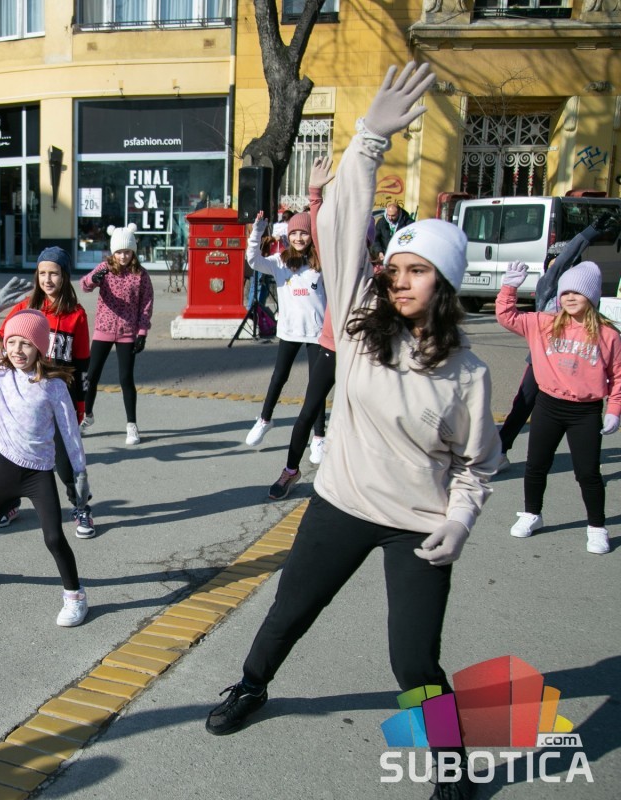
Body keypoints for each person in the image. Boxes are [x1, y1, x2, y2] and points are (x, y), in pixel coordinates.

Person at [204, 64, 498, 800]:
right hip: (340, 501)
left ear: (445, 283)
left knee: (413, 663)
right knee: (290, 610)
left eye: (418, 271)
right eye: (395, 267)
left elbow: (478, 465)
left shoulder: (468, 374)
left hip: (417, 524)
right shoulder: (365, 323)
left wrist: (460, 521)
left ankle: (449, 763)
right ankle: (251, 685)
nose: (400, 279)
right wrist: (368, 140)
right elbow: (339, 225)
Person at [0, 277, 92, 628]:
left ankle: (76, 597)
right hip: (5, 469)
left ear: (40, 348)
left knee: (54, 537)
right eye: (11, 341)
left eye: (26, 343)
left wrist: (80, 472)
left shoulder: (53, 386)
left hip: (39, 474)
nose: (17, 349)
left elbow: (70, 434)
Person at [496, 259, 620, 555]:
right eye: (565, 293)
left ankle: (597, 527)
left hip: (585, 412)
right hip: (548, 405)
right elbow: (507, 316)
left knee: (587, 473)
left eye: (577, 293)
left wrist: (614, 410)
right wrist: (509, 287)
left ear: (591, 297)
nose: (570, 298)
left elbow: (618, 376)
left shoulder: (608, 334)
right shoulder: (544, 323)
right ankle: (532, 513)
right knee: (536, 465)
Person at [0, 247, 95, 537]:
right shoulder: (25, 307)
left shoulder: (76, 315)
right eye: (43, 273)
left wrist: (81, 404)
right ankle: (11, 504)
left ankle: (81, 506)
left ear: (65, 276)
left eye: (54, 273)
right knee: (15, 454)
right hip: (25, 396)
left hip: (59, 397)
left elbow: (82, 364)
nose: (48, 280)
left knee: (64, 460)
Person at [497, 212, 614, 461]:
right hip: (542, 359)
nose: (556, 264)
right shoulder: (548, 286)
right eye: (551, 260)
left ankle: (584, 458)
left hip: (575, 360)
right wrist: (589, 233)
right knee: (523, 403)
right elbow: (561, 262)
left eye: (561, 262)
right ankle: (500, 451)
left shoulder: (583, 291)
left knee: (572, 410)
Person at [267, 157, 338, 499]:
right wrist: (314, 193)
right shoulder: (327, 257)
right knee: (309, 410)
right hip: (332, 343)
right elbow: (316, 232)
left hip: (364, 348)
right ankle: (290, 471)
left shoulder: (369, 268)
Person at [243, 209, 327, 454]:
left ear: (312, 235)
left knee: (317, 384)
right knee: (279, 377)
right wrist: (258, 231)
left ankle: (319, 436)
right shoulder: (280, 261)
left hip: (317, 332)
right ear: (288, 235)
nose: (299, 238)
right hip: (290, 330)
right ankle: (265, 419)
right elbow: (253, 260)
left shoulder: (322, 263)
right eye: (294, 233)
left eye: (304, 233)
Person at [80, 223, 154, 445]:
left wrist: (142, 332)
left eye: (127, 252)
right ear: (113, 252)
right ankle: (87, 416)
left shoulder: (140, 275)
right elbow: (84, 286)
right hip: (103, 330)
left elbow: (146, 304)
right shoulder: (105, 268)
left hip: (127, 332)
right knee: (91, 376)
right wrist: (95, 278)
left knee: (125, 378)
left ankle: (132, 425)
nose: (123, 256)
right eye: (119, 252)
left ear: (133, 252)